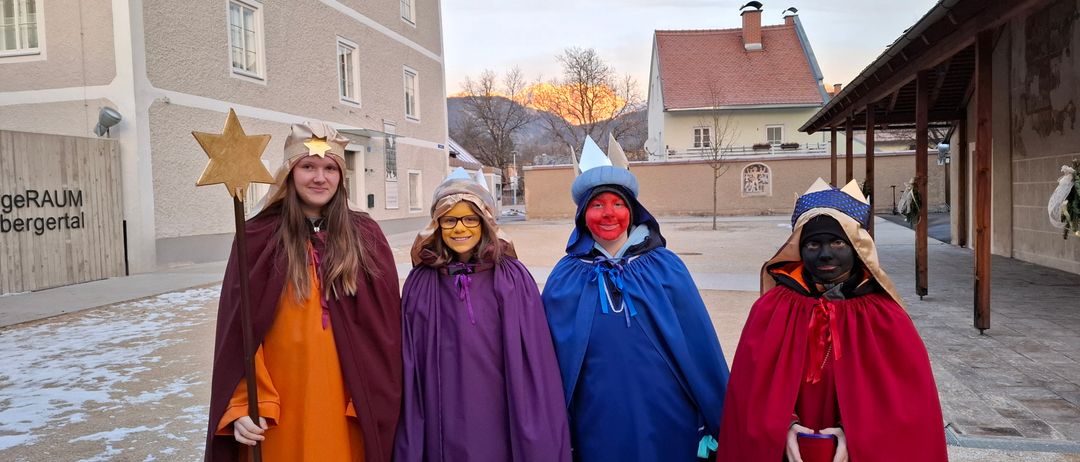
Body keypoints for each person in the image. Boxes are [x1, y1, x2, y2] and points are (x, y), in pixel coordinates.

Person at [204, 123, 402, 462]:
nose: (319, 178)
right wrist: (244, 403)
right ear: (289, 172)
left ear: (341, 176)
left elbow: (385, 333)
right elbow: (238, 333)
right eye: (307, 166)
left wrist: (372, 395)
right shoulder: (257, 238)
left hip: (345, 405)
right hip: (279, 407)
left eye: (329, 168)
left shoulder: (366, 237)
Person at [716, 179, 948, 462]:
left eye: (838, 242)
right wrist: (783, 426)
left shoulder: (884, 316)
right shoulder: (772, 308)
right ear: (799, 248)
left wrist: (855, 432)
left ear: (857, 247)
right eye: (813, 243)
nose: (825, 254)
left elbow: (908, 403)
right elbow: (749, 391)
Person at [542, 137, 730, 462]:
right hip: (596, 414)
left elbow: (699, 344)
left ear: (632, 211)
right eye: (597, 205)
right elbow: (550, 359)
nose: (608, 214)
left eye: (618, 204)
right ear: (582, 214)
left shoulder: (664, 265)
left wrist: (718, 414)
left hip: (666, 408)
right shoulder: (566, 275)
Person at [394, 168, 570, 461]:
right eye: (449, 220)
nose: (459, 229)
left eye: (469, 219)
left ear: (485, 222)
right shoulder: (422, 281)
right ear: (436, 225)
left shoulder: (511, 277)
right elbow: (411, 360)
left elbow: (533, 358)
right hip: (442, 406)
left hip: (499, 403)